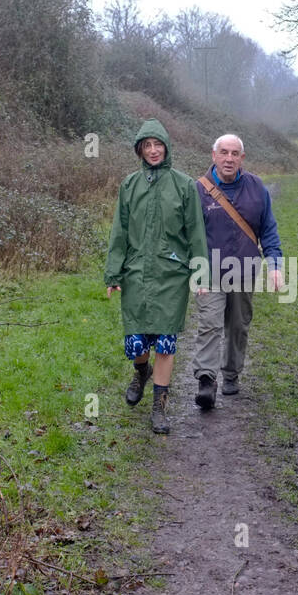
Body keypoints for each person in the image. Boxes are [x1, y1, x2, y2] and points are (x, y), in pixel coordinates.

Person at [104, 119, 208, 434]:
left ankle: (159, 409)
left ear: (166, 146)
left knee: (165, 341)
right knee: (137, 342)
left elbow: (196, 232)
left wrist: (199, 275)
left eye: (157, 144)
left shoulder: (184, 185)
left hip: (171, 274)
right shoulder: (129, 186)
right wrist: (113, 271)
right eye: (146, 145)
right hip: (136, 272)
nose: (153, 150)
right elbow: (119, 232)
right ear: (140, 149)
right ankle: (141, 371)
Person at [191, 133, 284, 410]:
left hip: (244, 269)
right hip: (208, 271)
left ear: (242, 158)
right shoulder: (198, 189)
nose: (229, 158)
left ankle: (231, 373)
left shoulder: (257, 188)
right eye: (224, 152)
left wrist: (275, 266)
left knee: (238, 324)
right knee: (209, 323)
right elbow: (187, 233)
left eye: (235, 153)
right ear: (214, 155)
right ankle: (206, 380)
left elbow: (268, 229)